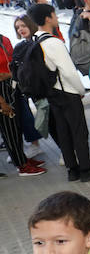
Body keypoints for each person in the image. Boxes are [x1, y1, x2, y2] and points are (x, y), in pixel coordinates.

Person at [28, 4, 90, 182]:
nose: (57, 18)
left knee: (64, 132)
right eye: (54, 15)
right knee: (79, 131)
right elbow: (68, 72)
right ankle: (86, 169)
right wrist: (81, 90)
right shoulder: (53, 42)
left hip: (51, 93)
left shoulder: (34, 40)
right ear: (47, 18)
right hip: (67, 92)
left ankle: (72, 170)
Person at [0, 31, 45, 176]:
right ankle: (22, 166)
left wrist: (11, 75)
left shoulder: (4, 39)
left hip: (12, 85)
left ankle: (22, 159)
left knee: (16, 126)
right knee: (9, 130)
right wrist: (1, 102)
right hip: (2, 91)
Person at [11, 15, 44, 156]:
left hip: (45, 88)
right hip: (30, 89)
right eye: (18, 27)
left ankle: (66, 149)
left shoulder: (41, 41)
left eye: (23, 26)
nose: (20, 29)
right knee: (44, 120)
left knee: (52, 119)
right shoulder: (20, 46)